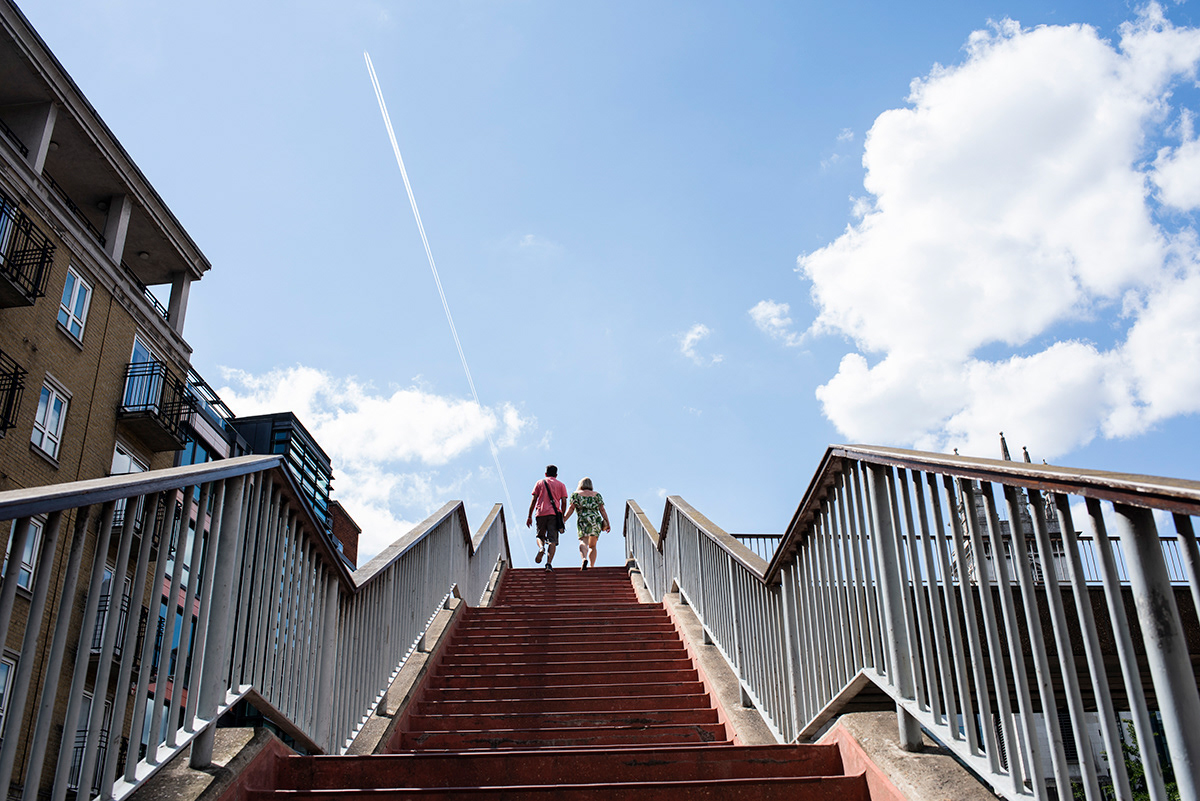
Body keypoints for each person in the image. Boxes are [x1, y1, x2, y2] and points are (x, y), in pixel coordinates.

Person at [526, 465, 568, 571]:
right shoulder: (561, 485)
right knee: (552, 540)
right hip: (554, 514)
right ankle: (548, 564)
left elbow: (534, 499)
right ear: (556, 475)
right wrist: (562, 515)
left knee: (540, 536)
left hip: (540, 513)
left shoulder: (539, 483)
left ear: (545, 474)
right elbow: (564, 501)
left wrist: (529, 516)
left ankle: (541, 548)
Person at [563, 477, 609, 570]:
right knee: (593, 545)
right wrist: (607, 522)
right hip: (595, 520)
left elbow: (571, 509)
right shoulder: (597, 495)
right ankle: (592, 566)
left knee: (583, 542)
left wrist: (564, 519)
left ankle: (584, 559)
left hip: (583, 520)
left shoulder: (576, 495)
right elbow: (602, 510)